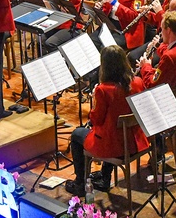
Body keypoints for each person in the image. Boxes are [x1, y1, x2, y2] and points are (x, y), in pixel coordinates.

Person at [64, 45, 150, 196]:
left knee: (77, 134)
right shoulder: (137, 82)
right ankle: (104, 177)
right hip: (133, 142)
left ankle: (80, 183)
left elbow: (96, 120)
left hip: (114, 147)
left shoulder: (103, 90)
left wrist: (93, 101)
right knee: (109, 131)